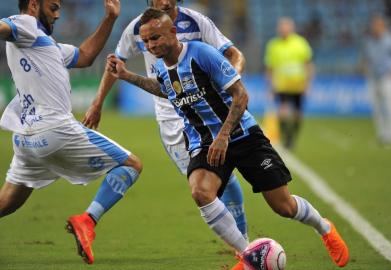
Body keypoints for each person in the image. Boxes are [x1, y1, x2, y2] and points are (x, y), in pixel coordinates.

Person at [106, 8, 350, 269]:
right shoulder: (160, 67)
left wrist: (223, 135)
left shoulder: (201, 53)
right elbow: (165, 90)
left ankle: (324, 227)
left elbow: (241, 95)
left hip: (242, 135)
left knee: (284, 206)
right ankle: (248, 256)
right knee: (201, 191)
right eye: (146, 41)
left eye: (155, 38)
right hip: (204, 142)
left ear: (173, 32)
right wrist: (127, 76)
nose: (151, 45)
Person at [82, 0, 249, 240]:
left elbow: (234, 55)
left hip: (204, 112)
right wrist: (97, 103)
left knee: (224, 181)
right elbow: (115, 64)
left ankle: (243, 246)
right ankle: (244, 247)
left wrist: (229, 79)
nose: (163, 1)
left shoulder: (196, 21)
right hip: (171, 120)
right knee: (208, 187)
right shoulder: (136, 28)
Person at [0, 0, 143, 265]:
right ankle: (88, 221)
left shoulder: (44, 44)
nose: (57, 14)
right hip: (55, 130)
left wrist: (109, 18)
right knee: (131, 165)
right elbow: (5, 27)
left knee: (7, 203)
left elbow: (85, 56)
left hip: (25, 137)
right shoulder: (25, 24)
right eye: (53, 7)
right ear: (33, 5)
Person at [264, 17, 314, 150]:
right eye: (281, 27)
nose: (283, 30)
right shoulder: (273, 45)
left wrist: (308, 83)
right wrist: (270, 85)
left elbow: (308, 64)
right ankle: (286, 137)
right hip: (281, 85)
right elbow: (270, 67)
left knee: (298, 113)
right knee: (283, 111)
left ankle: (292, 137)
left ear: (292, 28)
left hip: (298, 85)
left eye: (286, 27)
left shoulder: (300, 43)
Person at [363, 15, 391, 145]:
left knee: (390, 106)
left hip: (387, 78)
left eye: (377, 25)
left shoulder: (390, 40)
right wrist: (366, 70)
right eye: (373, 25)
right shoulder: (369, 41)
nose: (374, 28)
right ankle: (382, 134)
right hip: (373, 78)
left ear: (383, 26)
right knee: (376, 108)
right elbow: (365, 58)